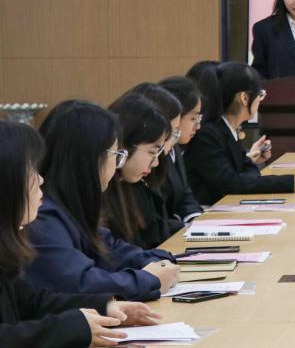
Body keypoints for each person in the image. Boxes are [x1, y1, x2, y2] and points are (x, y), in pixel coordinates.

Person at [0, 120, 161, 348]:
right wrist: (73, 327)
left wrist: (105, 307)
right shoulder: (47, 217)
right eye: (30, 172)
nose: (40, 179)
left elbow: (31, 303)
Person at [24, 101, 179, 302]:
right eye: (116, 155)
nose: (117, 165)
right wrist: (147, 278)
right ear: (89, 158)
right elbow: (79, 284)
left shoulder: (70, 205)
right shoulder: (43, 216)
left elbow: (112, 252)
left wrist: (160, 262)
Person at [187, 62, 295, 205]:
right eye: (260, 94)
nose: (260, 100)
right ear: (244, 98)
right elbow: (232, 182)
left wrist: (248, 173)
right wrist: (290, 183)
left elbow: (248, 171)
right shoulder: (208, 133)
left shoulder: (228, 128)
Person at [103, 92, 172, 249]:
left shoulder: (133, 187)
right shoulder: (99, 193)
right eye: (152, 152)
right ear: (125, 143)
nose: (155, 163)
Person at [157, 75, 204, 230]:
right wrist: (185, 226)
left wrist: (195, 218)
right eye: (193, 118)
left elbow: (184, 193)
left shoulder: (175, 147)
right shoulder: (154, 153)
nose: (198, 126)